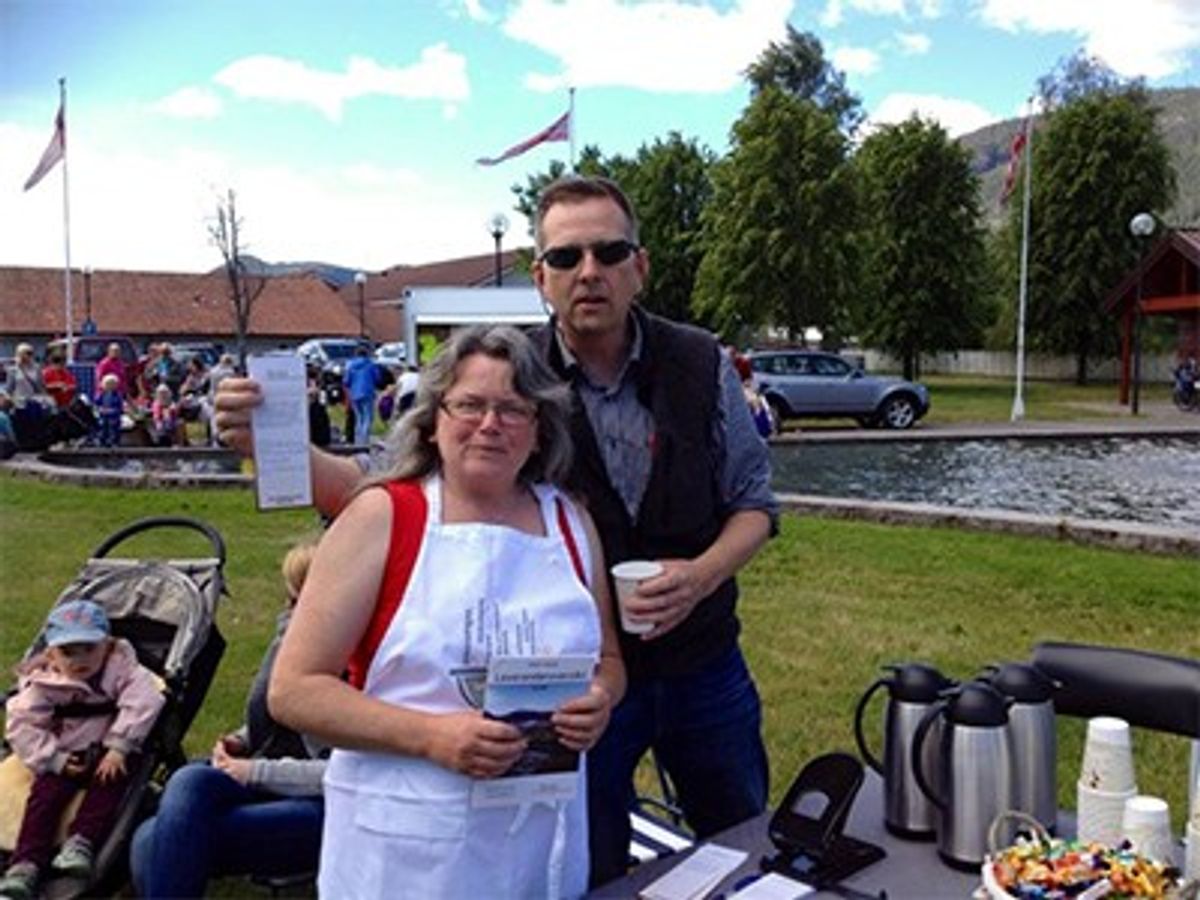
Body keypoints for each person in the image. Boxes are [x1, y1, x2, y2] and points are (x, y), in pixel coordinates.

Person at [213, 176, 776, 886]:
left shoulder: (700, 361)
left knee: (742, 838)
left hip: (701, 659)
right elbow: (396, 482)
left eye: (609, 251)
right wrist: (273, 441)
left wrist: (701, 577)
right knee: (592, 854)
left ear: (642, 265)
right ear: (540, 276)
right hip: (569, 686)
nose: (589, 272)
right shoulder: (518, 370)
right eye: (567, 258)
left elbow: (755, 502)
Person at [268, 324, 625, 899]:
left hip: (538, 840)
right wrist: (432, 736)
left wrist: (602, 698)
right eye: (470, 405)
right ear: (434, 421)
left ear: (538, 431)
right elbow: (293, 690)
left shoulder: (570, 523)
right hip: (406, 847)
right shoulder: (384, 516)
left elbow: (608, 657)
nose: (491, 424)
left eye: (513, 409)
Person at [130, 540, 327, 899]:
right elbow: (278, 713)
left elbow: (346, 773)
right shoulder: (296, 641)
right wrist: (243, 739)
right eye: (288, 599)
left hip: (324, 805)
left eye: (297, 601)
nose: (287, 610)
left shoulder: (358, 663)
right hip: (267, 777)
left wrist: (253, 772)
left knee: (149, 842)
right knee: (187, 782)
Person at [0, 600, 165, 900]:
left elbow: (145, 699)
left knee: (109, 789)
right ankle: (25, 863)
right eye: (68, 652)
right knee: (44, 799)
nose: (80, 659)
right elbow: (21, 724)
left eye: (89, 648)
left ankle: (82, 841)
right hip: (64, 754)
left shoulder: (121, 669)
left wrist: (120, 746)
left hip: (108, 750)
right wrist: (53, 759)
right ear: (50, 654)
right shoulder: (44, 683)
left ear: (108, 645)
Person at [342, 345, 378, 445]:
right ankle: (364, 440)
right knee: (367, 417)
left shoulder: (350, 366)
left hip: (354, 394)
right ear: (366, 354)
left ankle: (358, 440)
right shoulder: (370, 365)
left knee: (358, 418)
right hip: (367, 393)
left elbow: (346, 381)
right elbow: (377, 378)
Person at [95, 374, 124, 448]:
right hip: (103, 415)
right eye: (108, 384)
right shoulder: (101, 394)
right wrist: (100, 409)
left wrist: (113, 411)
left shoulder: (117, 395)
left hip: (113, 416)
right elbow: (97, 404)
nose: (110, 386)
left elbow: (120, 406)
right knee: (102, 427)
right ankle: (102, 441)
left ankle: (114, 442)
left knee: (113, 428)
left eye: (112, 384)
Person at [149, 383, 181, 447]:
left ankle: (177, 444)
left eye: (164, 393)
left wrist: (170, 411)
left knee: (179, 424)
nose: (163, 395)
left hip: (171, 425)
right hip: (159, 425)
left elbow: (175, 413)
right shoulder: (156, 404)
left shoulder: (171, 403)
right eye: (161, 393)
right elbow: (156, 416)